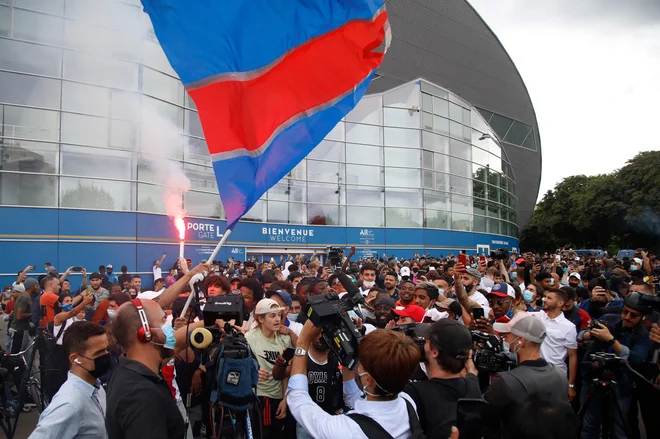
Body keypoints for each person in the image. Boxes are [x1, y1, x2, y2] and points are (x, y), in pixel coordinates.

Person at [287, 323, 422, 439]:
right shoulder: (408, 403)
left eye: (360, 364)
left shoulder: (347, 430)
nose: (357, 368)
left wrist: (303, 342)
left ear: (368, 379)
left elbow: (297, 398)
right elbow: (355, 397)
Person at [106, 298, 184, 439]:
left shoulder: (126, 370)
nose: (169, 328)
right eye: (163, 321)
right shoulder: (142, 396)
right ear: (145, 333)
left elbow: (181, 341)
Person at [578, 292, 652, 439]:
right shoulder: (609, 320)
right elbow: (579, 336)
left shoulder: (644, 335)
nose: (627, 317)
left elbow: (635, 358)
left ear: (643, 317)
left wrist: (611, 339)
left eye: (633, 315)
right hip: (594, 381)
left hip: (622, 387)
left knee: (620, 430)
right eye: (625, 312)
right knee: (589, 426)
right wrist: (590, 333)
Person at [29, 321, 110, 439]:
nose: (106, 355)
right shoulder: (70, 405)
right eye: (99, 352)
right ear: (75, 359)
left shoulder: (95, 386)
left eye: (106, 349)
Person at [401, 319, 480, 438]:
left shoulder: (413, 393)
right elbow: (472, 376)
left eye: (427, 342)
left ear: (434, 352)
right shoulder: (473, 388)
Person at [485, 313, 568, 416]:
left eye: (508, 334)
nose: (504, 338)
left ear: (521, 341)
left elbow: (486, 415)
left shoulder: (506, 380)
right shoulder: (560, 375)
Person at [245, 298, 293, 439]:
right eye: (272, 316)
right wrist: (252, 372)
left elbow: (285, 373)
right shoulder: (249, 338)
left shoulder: (284, 339)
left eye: (279, 315)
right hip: (258, 397)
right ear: (260, 319)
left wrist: (284, 399)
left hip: (278, 397)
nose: (278, 319)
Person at [532, 288, 578, 401]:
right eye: (545, 297)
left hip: (556, 376)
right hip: (536, 373)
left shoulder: (569, 327)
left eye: (549, 298)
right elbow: (519, 313)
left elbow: (573, 356)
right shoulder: (539, 317)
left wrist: (571, 385)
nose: (544, 300)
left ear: (560, 303)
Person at [10, 281, 32, 354]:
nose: (12, 294)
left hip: (20, 329)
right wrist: (32, 314)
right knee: (17, 352)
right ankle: (13, 365)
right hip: (19, 329)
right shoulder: (24, 297)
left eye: (14, 292)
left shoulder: (20, 298)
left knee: (23, 351)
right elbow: (19, 316)